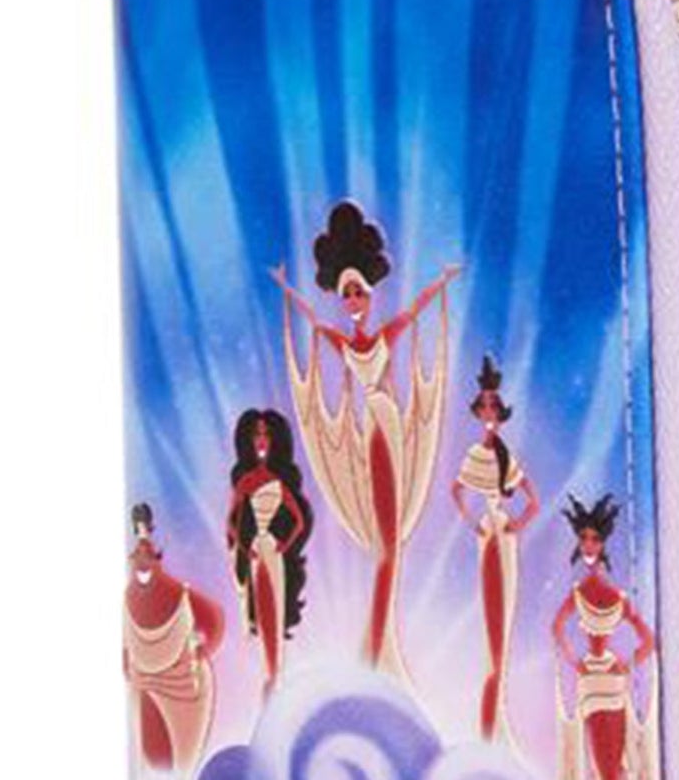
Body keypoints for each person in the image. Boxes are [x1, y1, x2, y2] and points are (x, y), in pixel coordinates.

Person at [273, 201, 458, 679]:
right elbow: (314, 323)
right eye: (348, 293)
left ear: (370, 295)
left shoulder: (383, 336)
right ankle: (376, 649)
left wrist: (443, 282)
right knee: (387, 546)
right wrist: (285, 288)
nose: (354, 300)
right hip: (374, 426)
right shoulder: (345, 342)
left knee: (390, 544)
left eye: (359, 292)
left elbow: (415, 310)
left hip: (389, 422)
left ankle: (378, 649)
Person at [551, 494, 662, 780]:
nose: (588, 544)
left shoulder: (604, 595)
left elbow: (648, 641)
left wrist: (592, 662)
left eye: (593, 539)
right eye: (584, 538)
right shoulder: (597, 594)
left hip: (602, 682)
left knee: (610, 765)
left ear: (602, 544)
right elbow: (557, 629)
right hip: (602, 682)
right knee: (606, 765)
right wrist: (582, 661)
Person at [451, 354, 539, 743]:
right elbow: (456, 491)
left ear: (500, 413)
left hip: (503, 535)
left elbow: (533, 501)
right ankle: (490, 724)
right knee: (491, 627)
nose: (489, 413)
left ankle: (495, 720)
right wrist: (473, 523)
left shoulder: (506, 458)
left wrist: (516, 525)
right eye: (484, 407)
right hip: (487, 535)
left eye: (493, 407)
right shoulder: (476, 455)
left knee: (504, 618)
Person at [123, 503, 224, 775]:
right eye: (136, 555)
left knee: (180, 757)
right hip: (145, 680)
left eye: (147, 554)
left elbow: (213, 619)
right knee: (152, 755)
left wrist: (203, 649)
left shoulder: (179, 593)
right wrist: (127, 660)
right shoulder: (131, 595)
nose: (140, 558)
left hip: (183, 684)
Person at [226, 409, 313, 694]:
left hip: (274, 551)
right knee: (261, 604)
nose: (261, 440)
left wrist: (284, 545)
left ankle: (276, 673)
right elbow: (231, 523)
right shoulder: (246, 481)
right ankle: (270, 672)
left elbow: (298, 521)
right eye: (256, 434)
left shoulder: (279, 481)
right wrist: (245, 547)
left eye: (266, 434)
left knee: (277, 603)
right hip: (257, 549)